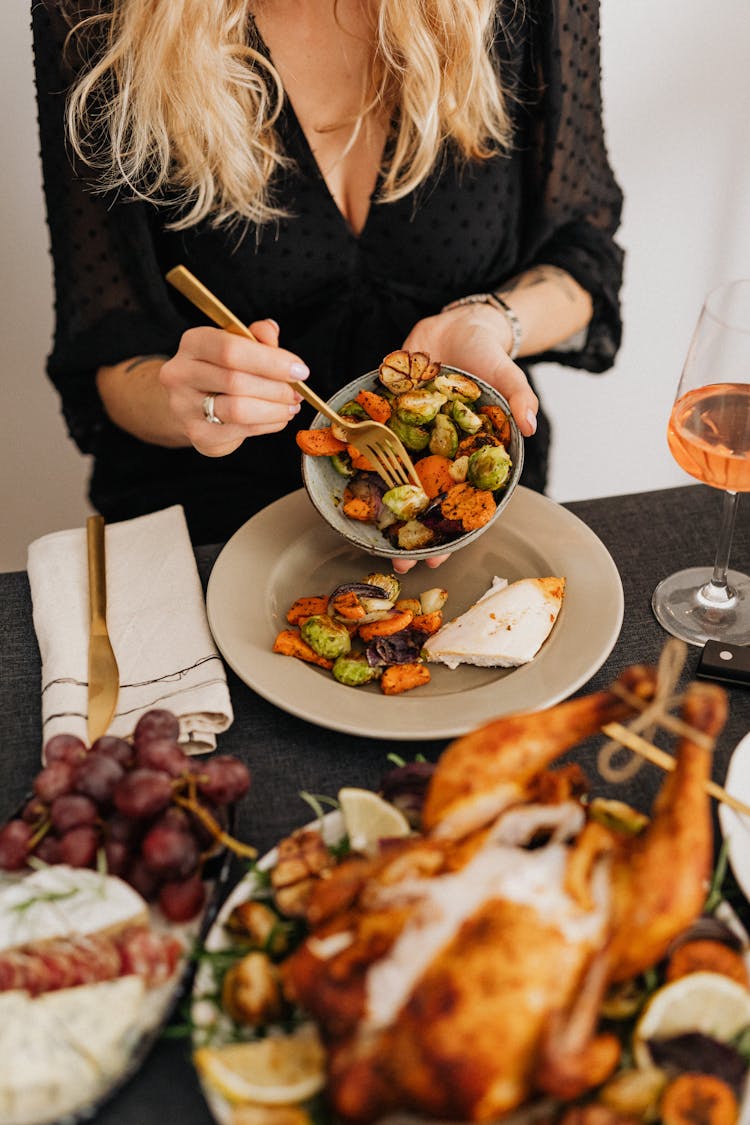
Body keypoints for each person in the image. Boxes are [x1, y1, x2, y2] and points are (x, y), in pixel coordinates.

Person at [32, 0, 623, 569]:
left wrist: (489, 320)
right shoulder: (93, 15)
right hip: (209, 526)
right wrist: (190, 402)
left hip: (468, 516)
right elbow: (108, 350)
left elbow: (583, 253)